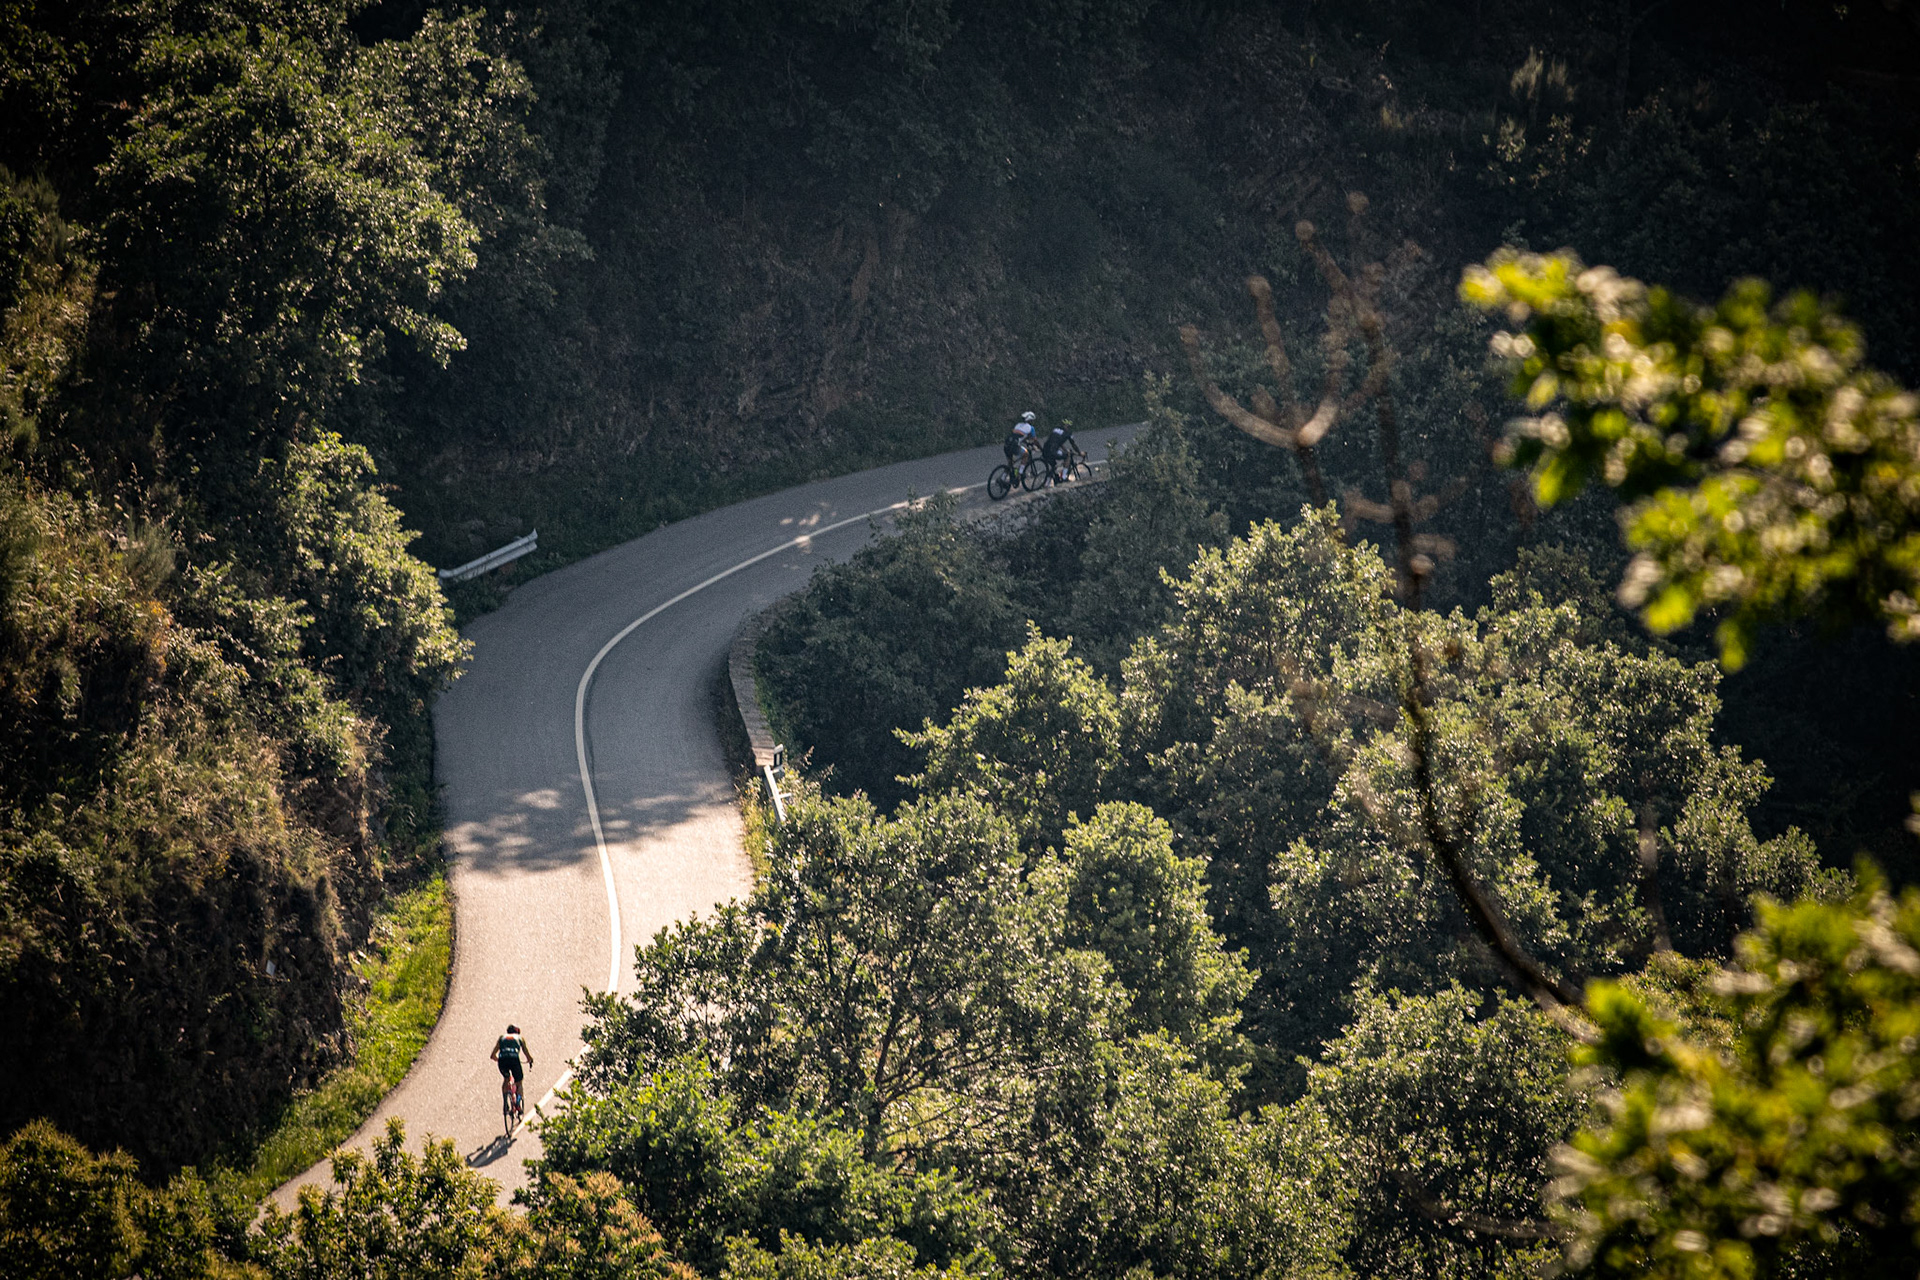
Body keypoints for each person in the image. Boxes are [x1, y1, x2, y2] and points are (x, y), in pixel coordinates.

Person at [492, 1023, 533, 1113]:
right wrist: (530, 1059)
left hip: (503, 1061)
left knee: (506, 1079)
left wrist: (499, 1059)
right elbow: (525, 1051)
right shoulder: (520, 1038)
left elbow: (493, 1055)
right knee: (519, 1082)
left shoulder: (502, 1038)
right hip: (514, 1060)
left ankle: (505, 1103)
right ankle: (518, 1103)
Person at [1041, 418, 1078, 483]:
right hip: (1053, 451)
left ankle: (1047, 482)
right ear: (1068, 426)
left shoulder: (1055, 429)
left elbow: (1058, 442)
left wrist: (1065, 450)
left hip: (1045, 449)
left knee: (1053, 466)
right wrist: (1080, 453)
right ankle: (1064, 477)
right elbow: (1073, 445)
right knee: (1067, 456)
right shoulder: (1068, 433)